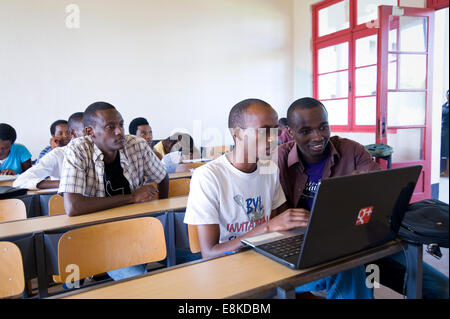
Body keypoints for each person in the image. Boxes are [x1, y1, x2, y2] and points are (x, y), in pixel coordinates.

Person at [279, 97, 449, 299]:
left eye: (323, 127)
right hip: (312, 249)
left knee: (441, 289)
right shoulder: (279, 159)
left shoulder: (351, 150)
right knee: (352, 278)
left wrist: (367, 189)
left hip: (365, 240)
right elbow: (276, 215)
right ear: (290, 132)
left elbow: (386, 195)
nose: (317, 137)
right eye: (306, 131)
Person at [184, 98, 313, 260]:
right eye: (264, 131)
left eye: (275, 131)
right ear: (237, 134)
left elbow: (279, 225)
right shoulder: (208, 177)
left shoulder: (270, 170)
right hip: (228, 266)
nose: (274, 139)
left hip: (264, 257)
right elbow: (210, 253)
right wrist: (267, 228)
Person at [58, 102, 169, 281]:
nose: (119, 132)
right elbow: (73, 206)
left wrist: (162, 219)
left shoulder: (136, 145)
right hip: (99, 238)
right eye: (111, 127)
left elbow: (162, 176)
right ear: (89, 132)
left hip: (138, 230)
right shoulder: (78, 150)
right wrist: (132, 197)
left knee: (196, 260)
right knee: (141, 283)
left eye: (121, 125)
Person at [13, 112, 85, 190]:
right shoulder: (58, 154)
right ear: (73, 133)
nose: (65, 136)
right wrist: (65, 183)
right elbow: (20, 181)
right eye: (60, 133)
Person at [441, 89, 449, 177]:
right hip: (443, 132)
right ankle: (443, 170)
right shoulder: (443, 106)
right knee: (443, 152)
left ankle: (447, 171)